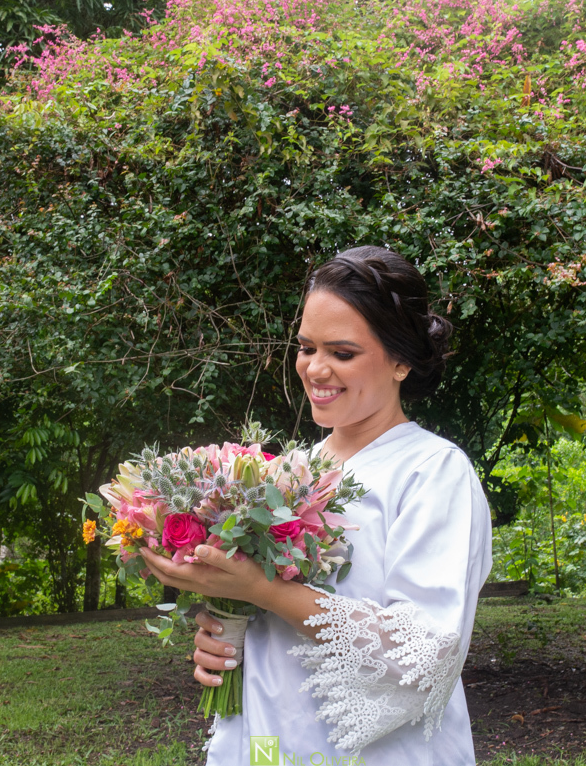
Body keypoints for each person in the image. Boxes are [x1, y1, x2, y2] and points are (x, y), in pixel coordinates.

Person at [139, 245, 492, 765]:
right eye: (306, 347)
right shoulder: (288, 471)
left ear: (401, 362)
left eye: (342, 353)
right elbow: (262, 617)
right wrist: (222, 630)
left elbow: (426, 651)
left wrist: (262, 590)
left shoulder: (433, 472)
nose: (315, 369)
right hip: (265, 734)